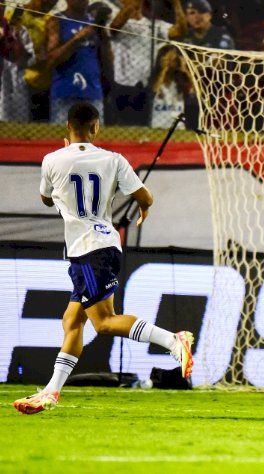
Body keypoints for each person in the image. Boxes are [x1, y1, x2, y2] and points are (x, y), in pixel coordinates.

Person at [13, 102, 194, 415]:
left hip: (89, 250)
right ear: (95, 128)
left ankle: (174, 341)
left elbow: (45, 199)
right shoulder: (113, 160)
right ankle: (51, 392)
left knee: (105, 322)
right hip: (99, 245)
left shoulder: (52, 159)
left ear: (68, 127)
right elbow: (145, 197)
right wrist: (143, 206)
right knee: (72, 320)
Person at [45, 0, 113, 124]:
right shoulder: (57, 20)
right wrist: (77, 38)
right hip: (65, 91)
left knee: (93, 139)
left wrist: (104, 36)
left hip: (92, 91)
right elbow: (51, 60)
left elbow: (108, 60)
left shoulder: (93, 23)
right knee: (63, 138)